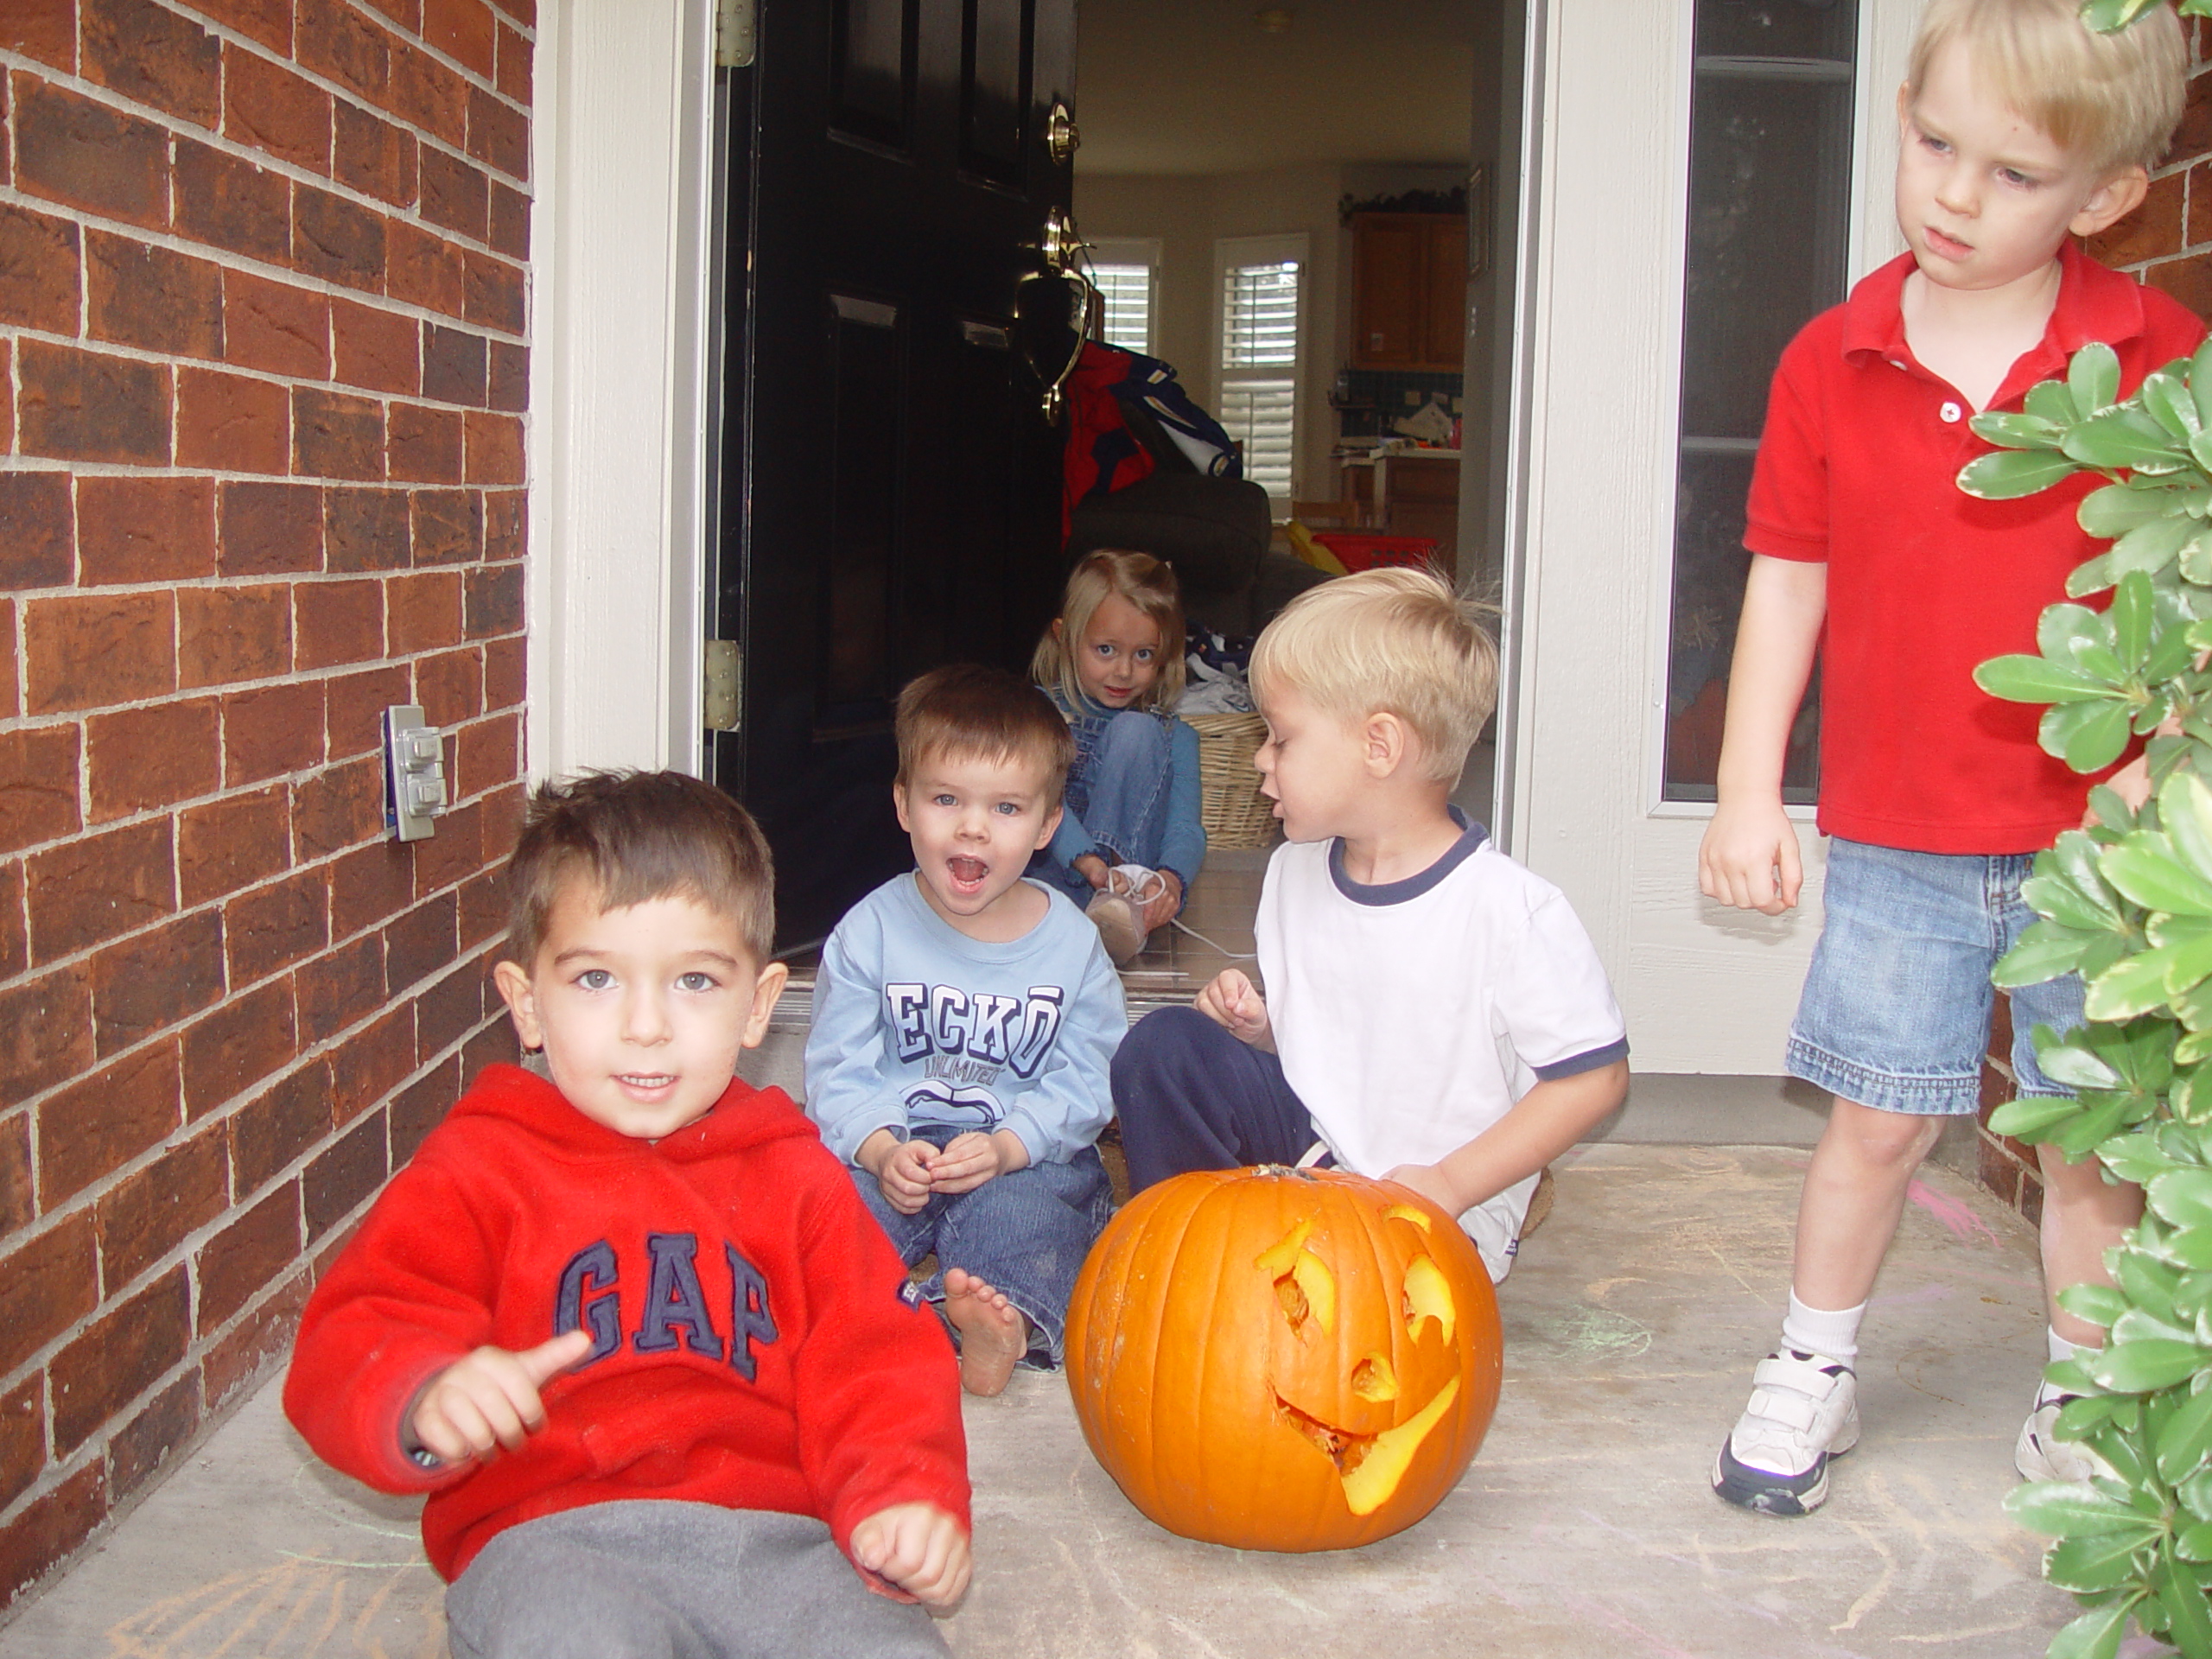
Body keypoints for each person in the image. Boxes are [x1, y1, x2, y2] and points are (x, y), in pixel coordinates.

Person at [1698, 0, 2203, 1516]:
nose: (1954, 196)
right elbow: (1787, 577)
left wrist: (2165, 755)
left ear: (2106, 197)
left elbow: (2187, 585)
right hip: (1903, 835)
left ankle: (2093, 1396)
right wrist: (1743, 790)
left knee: (2093, 1150)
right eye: (1933, 145)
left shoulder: (2157, 358)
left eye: (2013, 173)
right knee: (1878, 1119)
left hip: (2099, 856)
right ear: (1903, 112)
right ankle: (1813, 1364)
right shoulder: (1829, 358)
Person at [283, 772, 969, 1658]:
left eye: (693, 980)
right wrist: (420, 1395)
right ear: (527, 1002)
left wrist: (904, 1499)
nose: (646, 1026)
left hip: (784, 1547)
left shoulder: (794, 1174)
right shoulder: (482, 1163)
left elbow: (876, 1359)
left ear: (758, 1005)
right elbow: (358, 1323)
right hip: (554, 1541)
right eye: (597, 979)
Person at [1109, 567, 1630, 1283]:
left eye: (1281, 738)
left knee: (1359, 1301)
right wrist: (1261, 1029)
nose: (1261, 759)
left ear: (1379, 747)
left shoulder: (1510, 913)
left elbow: (1593, 1082)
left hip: (1429, 1216)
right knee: (1163, 1046)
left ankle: (1254, 1263)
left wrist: (1450, 1184)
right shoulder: (1294, 872)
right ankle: (1187, 1266)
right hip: (1311, 1157)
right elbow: (1331, 1040)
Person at [805, 664, 1122, 1395]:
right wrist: (881, 1148)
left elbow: (1089, 1076)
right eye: (946, 798)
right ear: (904, 805)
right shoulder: (869, 933)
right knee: (831, 1212)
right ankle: (854, 1316)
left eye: (1007, 808)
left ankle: (988, 1322)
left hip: (1022, 1151)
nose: (973, 825)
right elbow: (837, 1068)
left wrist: (1013, 1146)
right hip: (897, 1148)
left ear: (1047, 826)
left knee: (1030, 1222)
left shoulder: (1071, 945)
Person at [1030, 548, 1208, 965]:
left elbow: (1186, 827)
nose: (1124, 671)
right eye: (1106, 650)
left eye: (1143, 654)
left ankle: (1115, 910)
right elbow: (1038, 799)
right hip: (1052, 870)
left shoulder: (1174, 735)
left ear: (1166, 654)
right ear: (1064, 636)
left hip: (1130, 888)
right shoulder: (1038, 712)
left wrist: (1171, 878)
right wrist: (1087, 863)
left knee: (1137, 730)